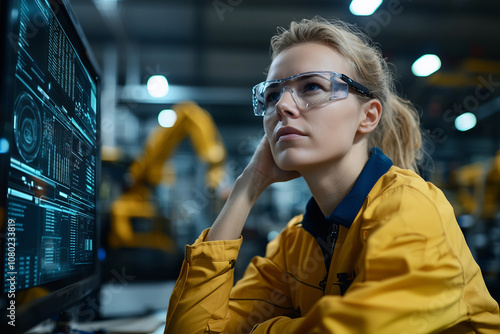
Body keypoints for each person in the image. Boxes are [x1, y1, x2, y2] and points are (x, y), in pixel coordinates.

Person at [164, 17, 500, 333]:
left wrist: (264, 329)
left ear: (367, 117)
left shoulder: (410, 208)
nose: (282, 106)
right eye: (272, 95)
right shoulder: (295, 243)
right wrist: (248, 185)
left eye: (311, 87)